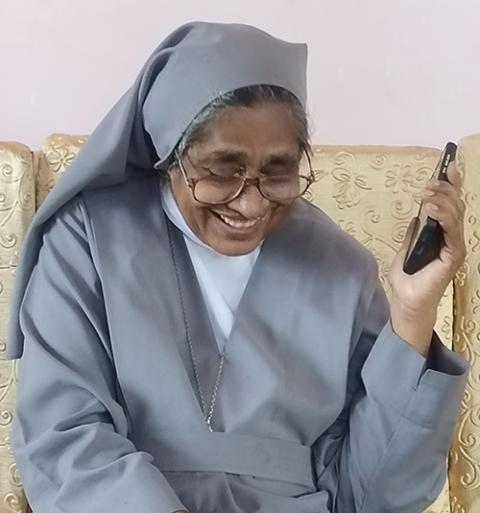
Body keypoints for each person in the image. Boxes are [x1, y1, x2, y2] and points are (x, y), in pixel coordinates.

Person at [7, 21, 468, 513]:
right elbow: (64, 439)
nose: (250, 205)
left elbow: (374, 495)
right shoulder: (88, 238)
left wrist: (413, 315)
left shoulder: (341, 266)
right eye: (222, 170)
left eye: (278, 172)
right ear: (170, 152)